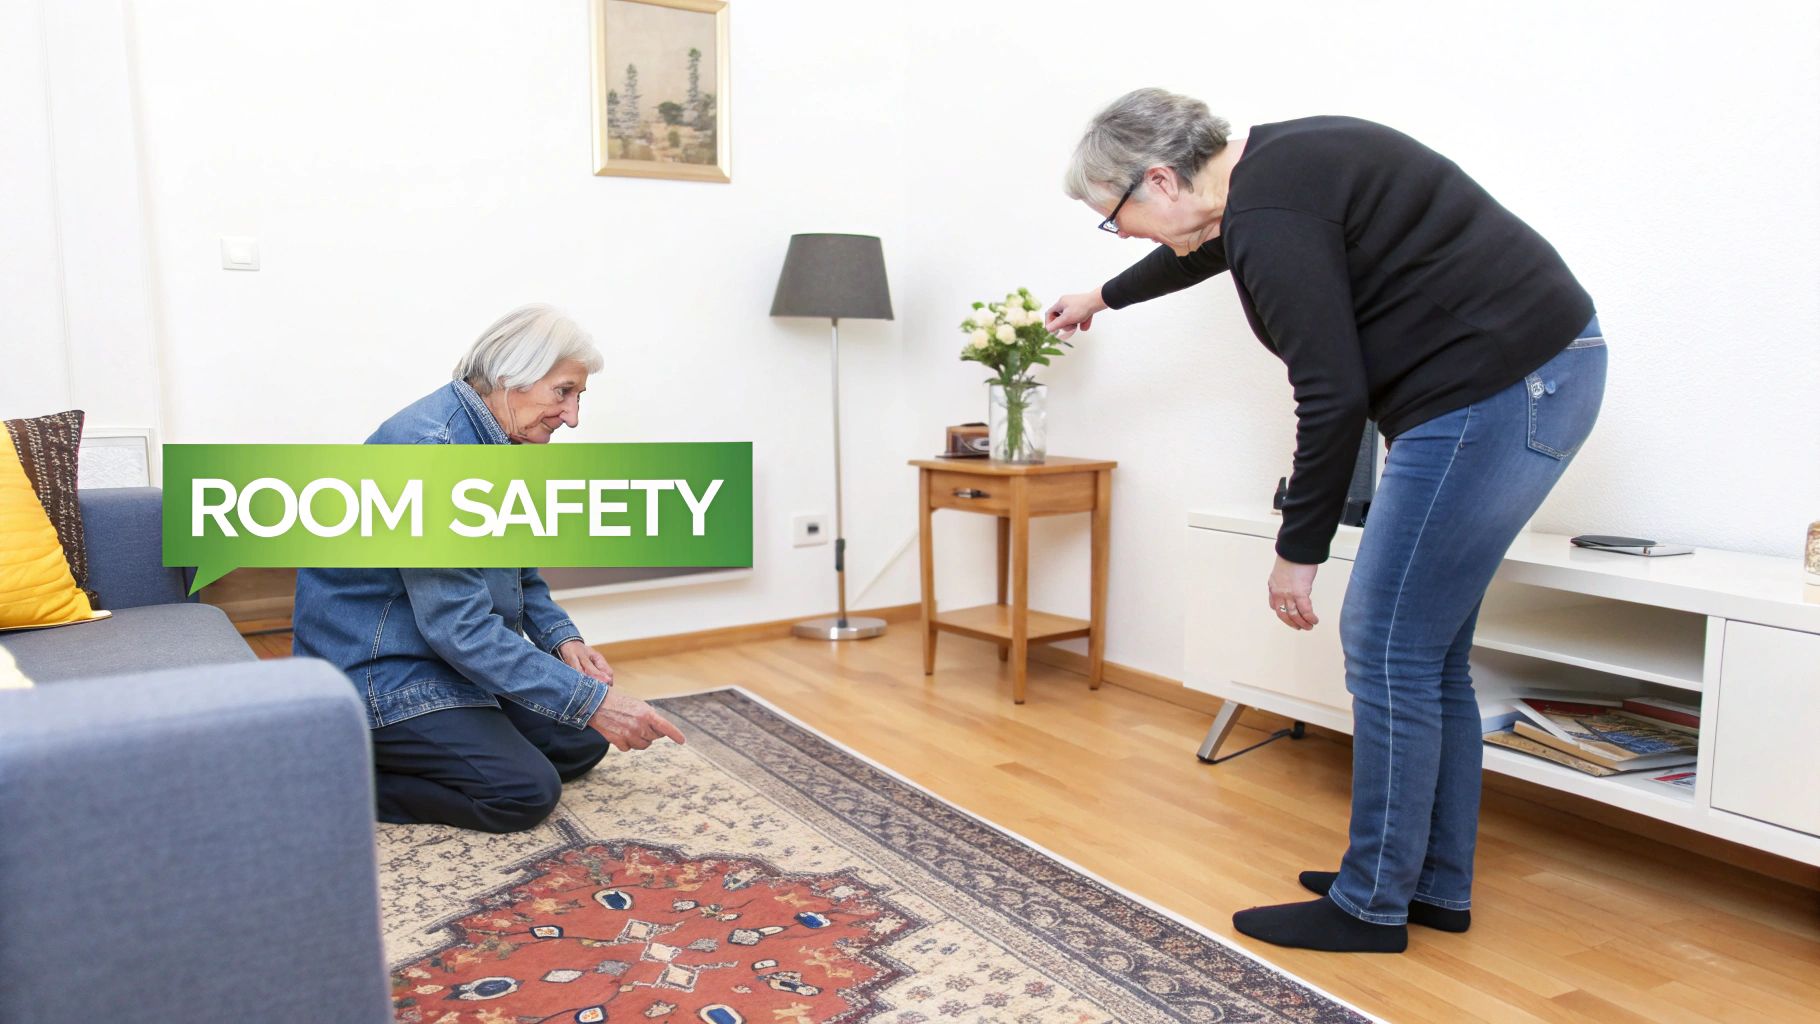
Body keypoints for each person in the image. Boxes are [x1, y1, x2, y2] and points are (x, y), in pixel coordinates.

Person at [1048, 90, 1605, 953]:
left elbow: (1331, 395)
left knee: (1384, 644)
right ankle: (1431, 885)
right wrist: (1106, 296)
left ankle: (1369, 905)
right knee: (1426, 655)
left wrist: (1297, 552)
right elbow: (1206, 247)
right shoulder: (1278, 166)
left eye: (1114, 215)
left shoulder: (1268, 212)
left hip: (1491, 392)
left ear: (1160, 177)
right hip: (1530, 376)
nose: (1120, 233)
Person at [292, 304, 685, 834]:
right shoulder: (431, 455)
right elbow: (460, 627)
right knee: (522, 792)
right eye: (563, 392)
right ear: (510, 378)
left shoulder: (501, 439)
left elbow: (519, 572)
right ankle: (331, 778)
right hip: (380, 670)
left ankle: (457, 735)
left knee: (581, 742)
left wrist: (561, 640)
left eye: (578, 397)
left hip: (439, 654)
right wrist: (596, 701)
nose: (572, 417)